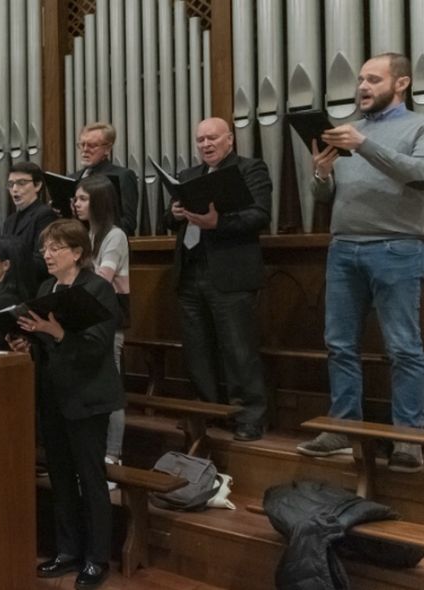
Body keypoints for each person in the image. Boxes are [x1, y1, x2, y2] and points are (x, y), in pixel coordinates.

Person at [298, 52, 424, 471]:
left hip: (396, 247)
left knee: (403, 347)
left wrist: (364, 145)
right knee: (339, 344)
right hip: (343, 248)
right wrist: (321, 174)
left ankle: (408, 439)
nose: (362, 87)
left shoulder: (416, 126)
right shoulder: (348, 131)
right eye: (361, 80)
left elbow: (415, 172)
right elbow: (326, 198)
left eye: (373, 79)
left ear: (401, 83)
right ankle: (342, 427)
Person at [6, 219, 123, 588]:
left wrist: (56, 334)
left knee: (90, 478)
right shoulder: (46, 287)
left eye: (56, 247)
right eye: (45, 248)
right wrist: (30, 342)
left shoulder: (98, 288)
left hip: (88, 397)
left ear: (77, 252)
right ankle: (68, 551)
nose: (47, 254)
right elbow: (45, 342)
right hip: (54, 395)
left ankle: (96, 558)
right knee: (59, 476)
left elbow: (96, 347)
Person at [164, 117, 272, 442]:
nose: (206, 145)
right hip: (191, 271)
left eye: (212, 138)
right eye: (200, 140)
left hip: (229, 272)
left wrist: (217, 223)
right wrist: (175, 215)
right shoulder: (188, 176)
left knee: (239, 349)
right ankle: (208, 412)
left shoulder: (250, 169)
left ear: (230, 140)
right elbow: (168, 220)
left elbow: (260, 215)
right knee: (197, 349)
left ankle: (249, 418)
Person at [73, 175, 131, 488]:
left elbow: (102, 278)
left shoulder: (115, 235)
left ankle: (113, 454)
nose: (76, 204)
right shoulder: (87, 233)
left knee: (111, 387)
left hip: (109, 316)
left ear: (99, 200)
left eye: (82, 199)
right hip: (86, 316)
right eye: (76, 199)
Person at [71, 123, 141, 235]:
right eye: (82, 144)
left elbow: (128, 223)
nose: (85, 150)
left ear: (107, 149)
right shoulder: (72, 178)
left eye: (92, 145)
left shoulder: (123, 176)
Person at [1, 161, 58, 280]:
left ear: (37, 185)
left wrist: (9, 261)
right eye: (11, 184)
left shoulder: (45, 215)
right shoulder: (9, 221)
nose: (15, 189)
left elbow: (43, 260)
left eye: (21, 183)